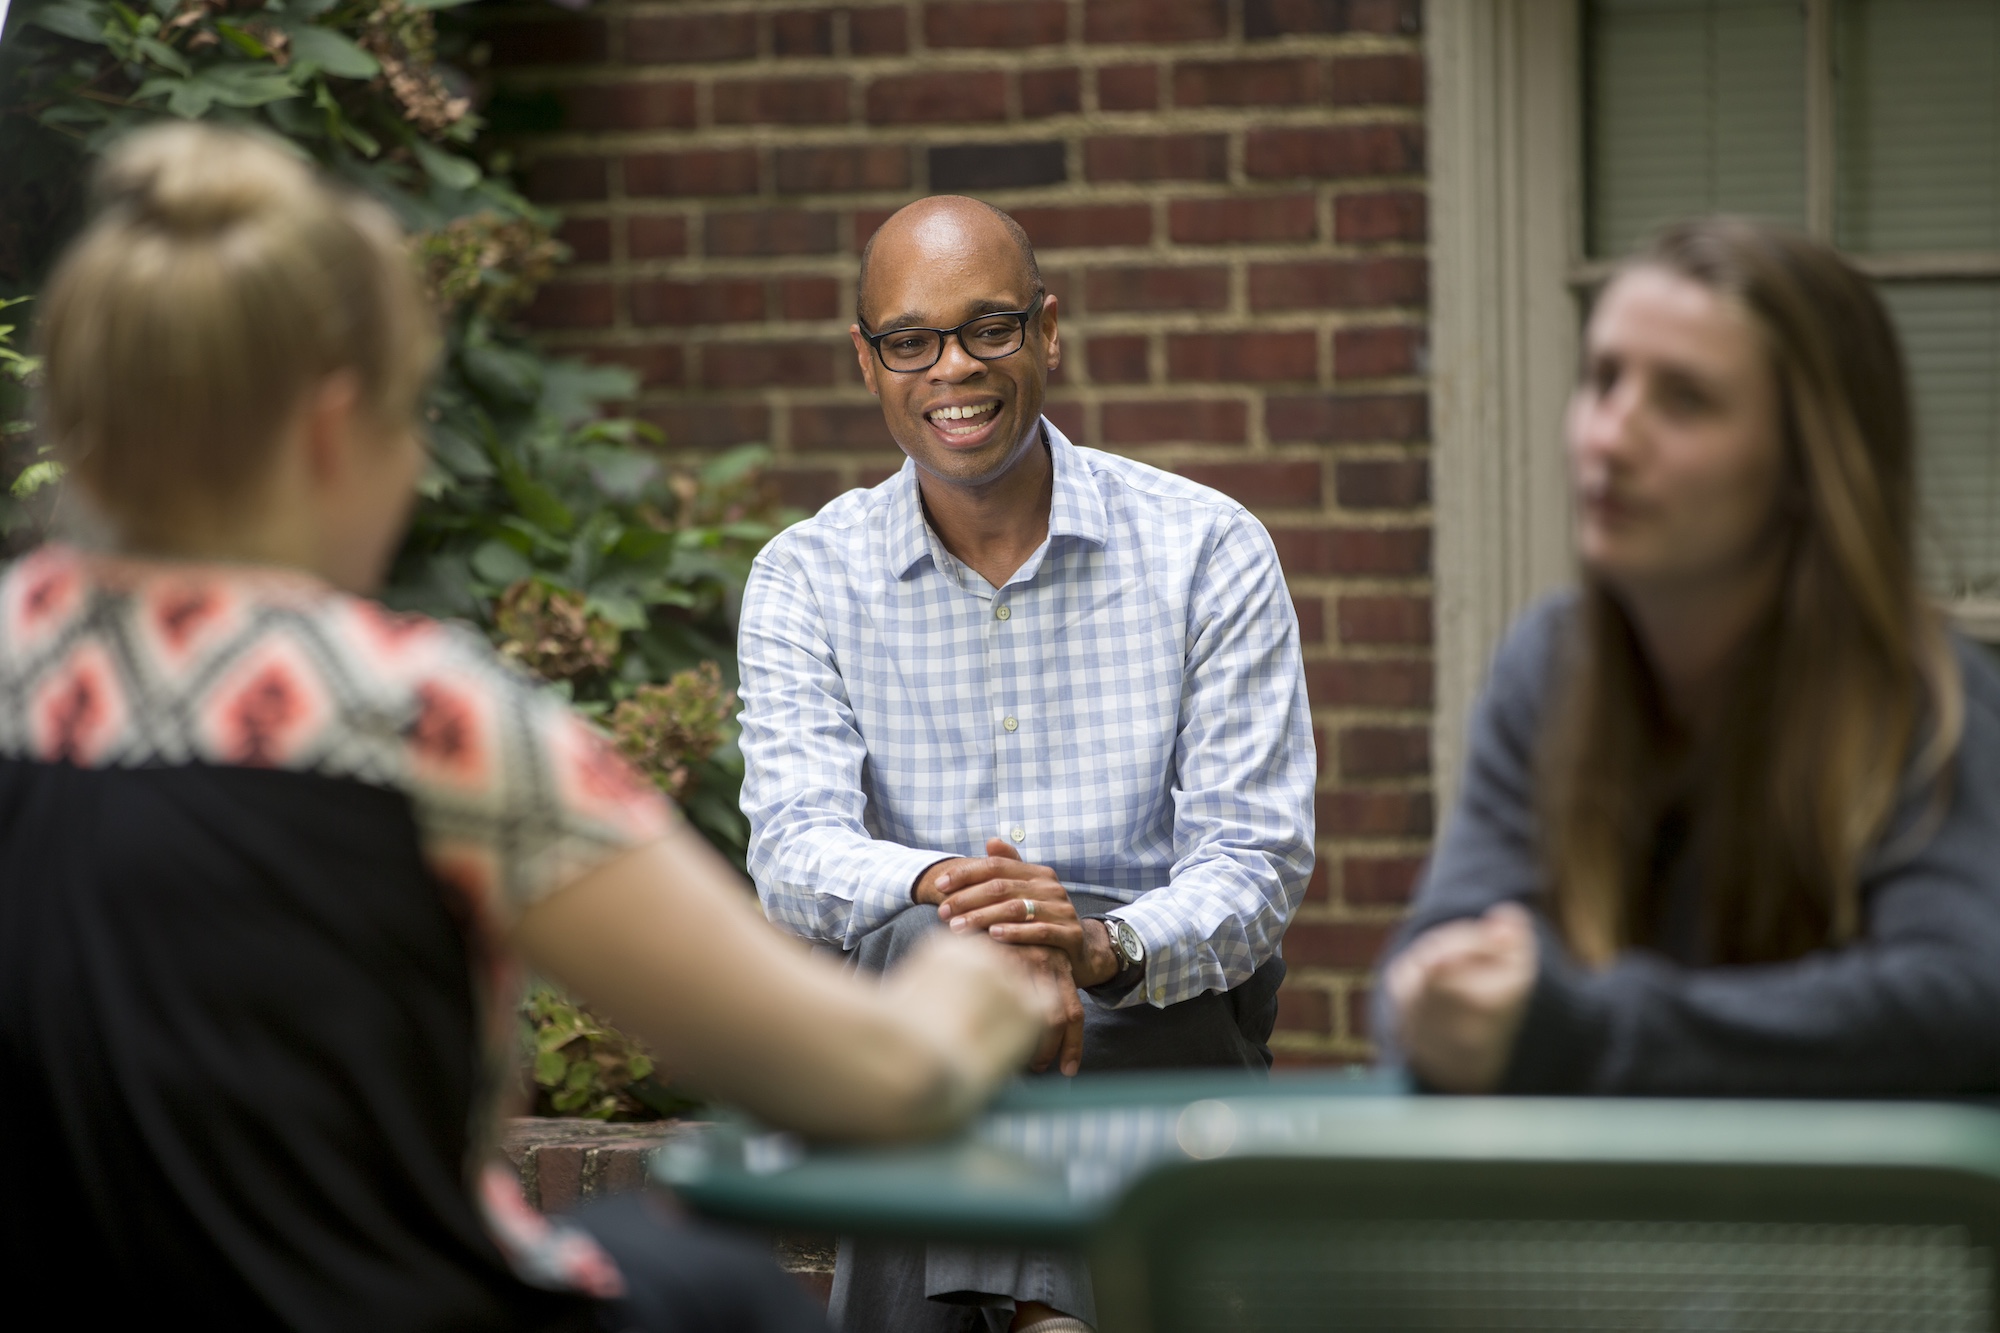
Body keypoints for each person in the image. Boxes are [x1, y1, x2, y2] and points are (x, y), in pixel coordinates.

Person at [0, 123, 1054, 1327]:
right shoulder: (421, 717)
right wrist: (975, 982)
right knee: (719, 1288)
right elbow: (871, 1077)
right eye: (411, 418)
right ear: (332, 430)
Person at [735, 196, 1316, 1333]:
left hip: (1147, 1003)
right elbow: (795, 854)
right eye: (912, 340)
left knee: (965, 1029)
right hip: (916, 1014)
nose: (953, 367)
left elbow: (1254, 861)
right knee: (935, 959)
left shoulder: (1206, 547)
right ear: (868, 361)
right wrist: (965, 903)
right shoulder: (806, 575)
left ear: (1047, 332)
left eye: (988, 328)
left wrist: (1095, 947)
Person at [1379, 217, 2000, 1096]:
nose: (1610, 437)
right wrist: (1443, 1001)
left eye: (1684, 401)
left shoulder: (1925, 701)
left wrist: (1588, 1030)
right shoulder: (1550, 669)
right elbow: (1439, 959)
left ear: (1805, 467)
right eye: (1602, 380)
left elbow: (1962, 1005)